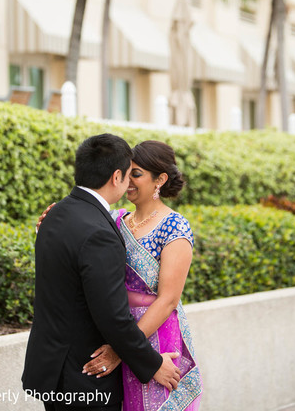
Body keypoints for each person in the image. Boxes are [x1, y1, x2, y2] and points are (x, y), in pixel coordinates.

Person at [39, 139, 203, 410]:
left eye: (136, 174)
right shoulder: (115, 219)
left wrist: (121, 350)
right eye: (127, 173)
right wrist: (50, 225)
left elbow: (168, 300)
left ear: (159, 179)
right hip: (116, 328)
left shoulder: (175, 227)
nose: (128, 182)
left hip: (155, 335)